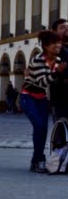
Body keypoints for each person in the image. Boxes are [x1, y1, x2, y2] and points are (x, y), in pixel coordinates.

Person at [20, 29, 67, 173]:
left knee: (43, 130)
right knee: (39, 126)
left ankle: (36, 160)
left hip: (41, 98)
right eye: (54, 44)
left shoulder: (58, 60)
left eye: (59, 43)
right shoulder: (38, 60)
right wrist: (57, 72)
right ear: (46, 46)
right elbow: (42, 83)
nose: (58, 46)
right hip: (28, 97)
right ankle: (39, 159)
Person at [49, 19, 68, 121]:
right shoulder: (52, 49)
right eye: (62, 27)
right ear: (54, 32)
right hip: (61, 99)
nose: (66, 29)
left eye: (67, 27)